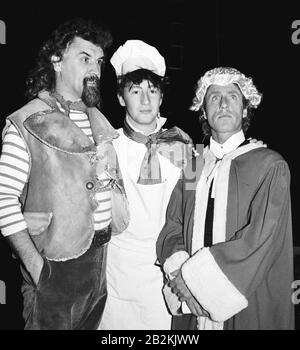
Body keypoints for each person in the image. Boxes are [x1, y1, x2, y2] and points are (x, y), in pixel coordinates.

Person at [0, 18, 129, 330]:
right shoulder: (26, 121)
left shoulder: (99, 121)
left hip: (98, 261)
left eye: (99, 61)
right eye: (84, 59)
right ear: (56, 61)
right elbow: (3, 198)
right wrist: (35, 267)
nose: (95, 70)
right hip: (54, 267)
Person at [156, 67, 294, 330]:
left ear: (244, 109)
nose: (223, 103)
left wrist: (197, 283)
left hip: (247, 301)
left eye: (232, 96)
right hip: (191, 306)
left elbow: (262, 240)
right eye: (214, 97)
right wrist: (181, 278)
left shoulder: (270, 165)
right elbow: (172, 226)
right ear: (204, 111)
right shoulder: (193, 165)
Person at [99, 40, 194, 330]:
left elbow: (198, 204)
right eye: (135, 91)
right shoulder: (104, 146)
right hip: (117, 274)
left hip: (168, 270)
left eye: (152, 91)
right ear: (120, 98)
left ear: (162, 98)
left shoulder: (186, 145)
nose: (144, 100)